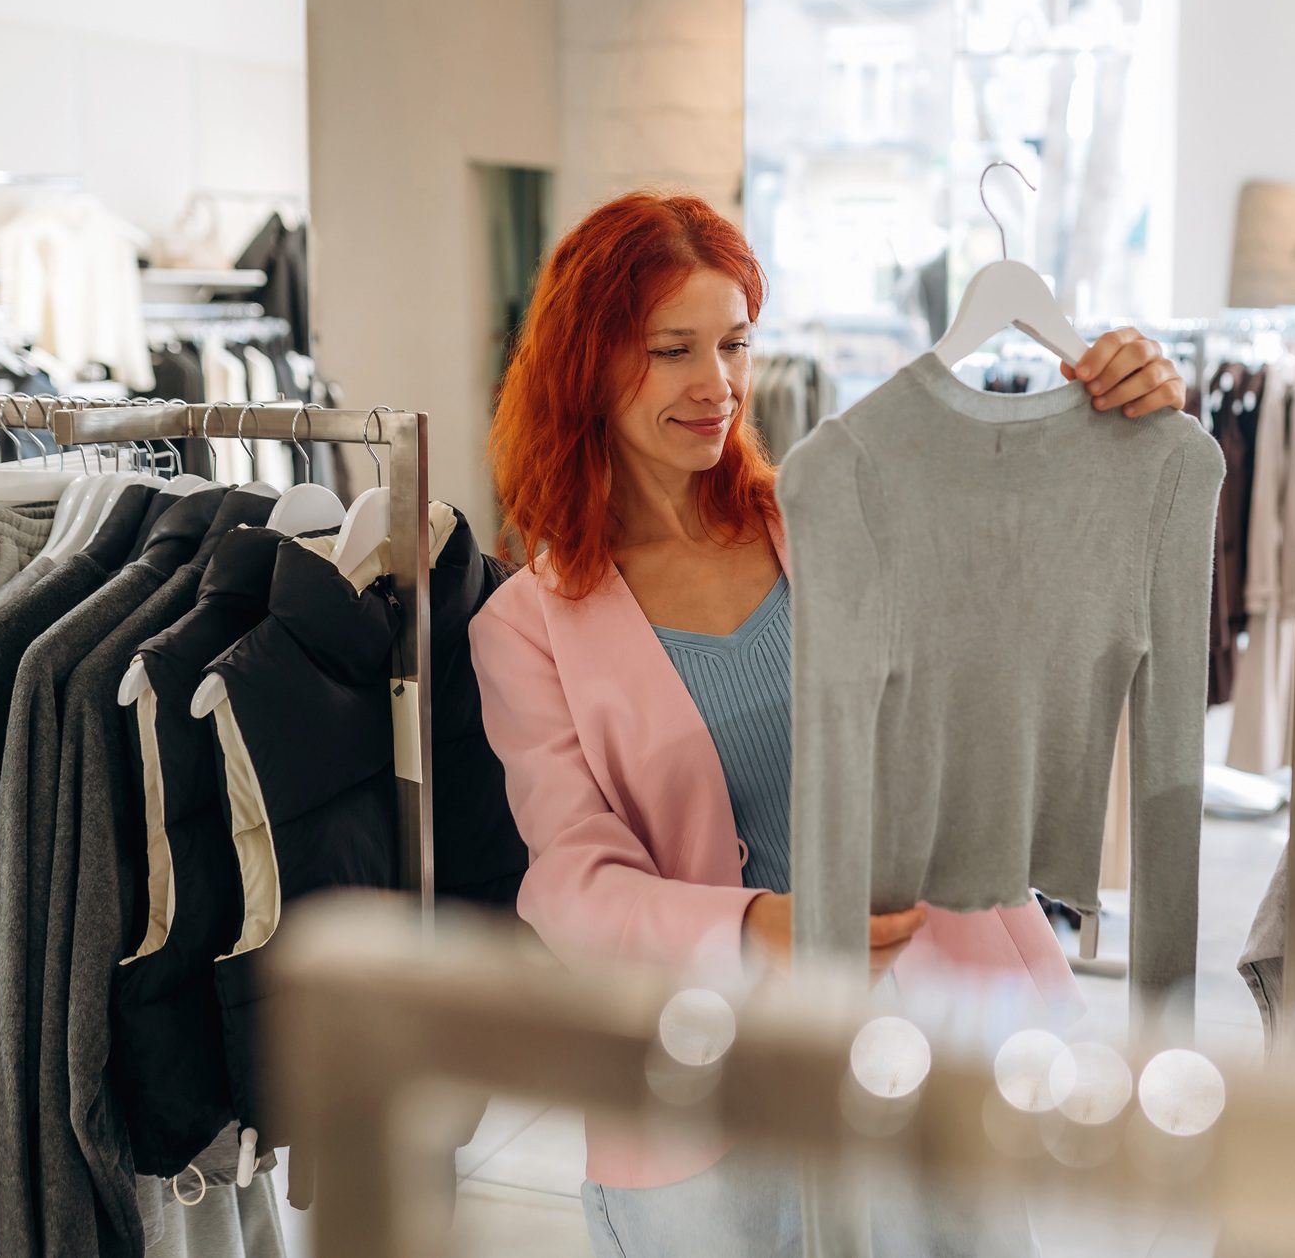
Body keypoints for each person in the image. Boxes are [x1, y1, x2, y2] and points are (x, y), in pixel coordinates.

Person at [467, 191, 1190, 1255]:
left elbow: (1044, 590)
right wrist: (760, 930)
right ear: (585, 367)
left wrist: (1136, 413)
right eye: (672, 350)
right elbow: (572, 885)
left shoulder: (842, 516)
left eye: (734, 343)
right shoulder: (527, 626)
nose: (716, 386)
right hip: (707, 1079)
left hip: (928, 1033)